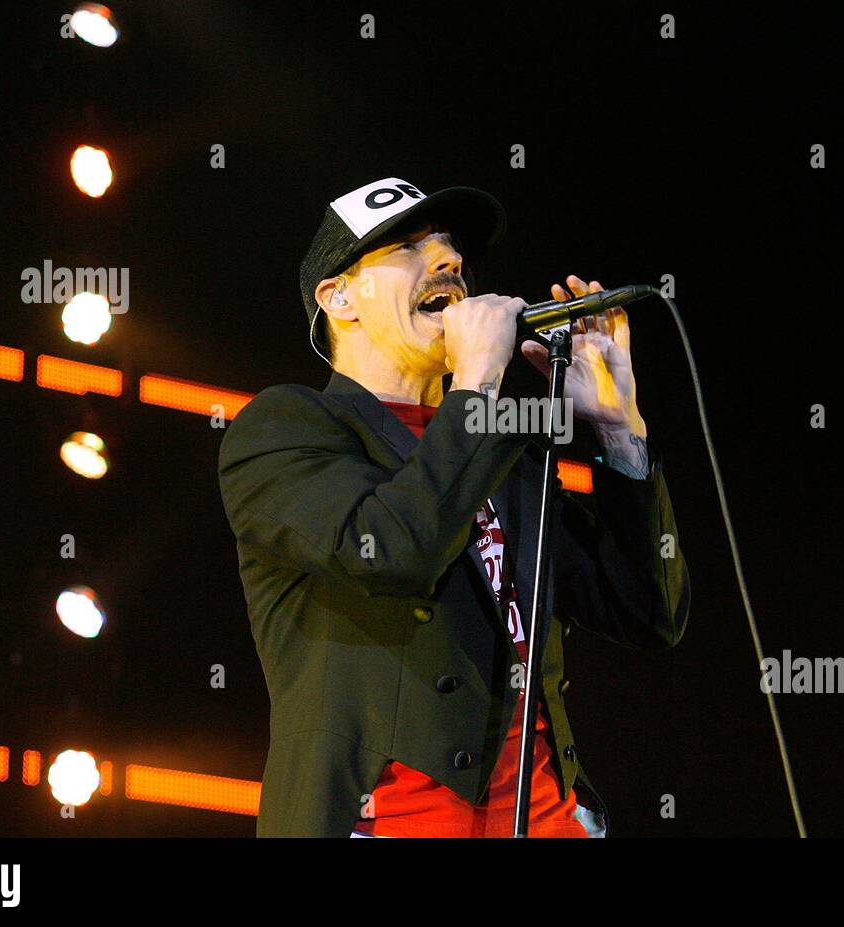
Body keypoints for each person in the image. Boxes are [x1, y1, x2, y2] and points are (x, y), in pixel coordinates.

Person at [218, 177, 690, 837]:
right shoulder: (286, 427)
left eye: (451, 249)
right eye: (410, 245)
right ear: (339, 296)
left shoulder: (503, 457)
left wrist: (620, 428)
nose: (447, 261)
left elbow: (648, 612)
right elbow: (390, 550)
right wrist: (476, 385)